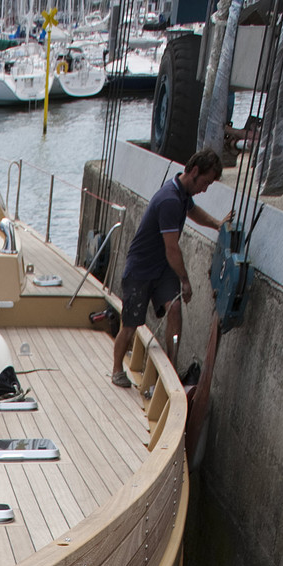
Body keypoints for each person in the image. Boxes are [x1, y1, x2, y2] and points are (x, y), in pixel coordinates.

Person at [110, 147, 225, 387]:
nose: (205, 189)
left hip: (162, 268)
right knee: (130, 325)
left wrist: (217, 224)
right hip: (141, 269)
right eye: (205, 182)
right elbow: (172, 248)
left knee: (174, 308)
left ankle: (170, 366)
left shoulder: (182, 193)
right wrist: (185, 280)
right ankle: (116, 369)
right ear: (194, 171)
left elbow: (193, 212)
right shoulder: (170, 200)